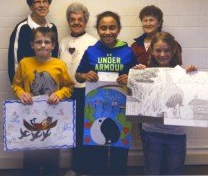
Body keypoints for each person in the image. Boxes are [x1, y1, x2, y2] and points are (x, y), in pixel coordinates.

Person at [75, 11, 137, 175]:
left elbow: (138, 79)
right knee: (97, 149)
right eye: (103, 28)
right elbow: (78, 76)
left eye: (112, 28)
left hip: (120, 107)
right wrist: (85, 75)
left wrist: (130, 77)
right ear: (97, 29)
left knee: (119, 149)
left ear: (118, 29)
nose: (107, 32)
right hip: (96, 108)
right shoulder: (91, 51)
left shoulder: (128, 51)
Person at [12, 27, 74, 176]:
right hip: (31, 117)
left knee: (52, 158)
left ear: (53, 45)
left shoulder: (59, 64)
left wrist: (59, 94)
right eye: (38, 42)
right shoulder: (24, 63)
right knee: (30, 158)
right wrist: (21, 93)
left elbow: (69, 87)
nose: (43, 45)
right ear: (32, 44)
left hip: (52, 118)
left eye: (47, 42)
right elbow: (16, 85)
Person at [136, 31, 197, 175]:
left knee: (175, 170)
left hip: (176, 134)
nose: (162, 54)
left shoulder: (182, 74)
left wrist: (192, 78)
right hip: (151, 133)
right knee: (152, 170)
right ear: (152, 51)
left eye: (167, 50)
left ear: (174, 50)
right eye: (158, 50)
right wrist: (137, 76)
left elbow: (189, 97)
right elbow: (139, 98)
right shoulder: (145, 72)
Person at [58, 2, 97, 174]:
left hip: (85, 92)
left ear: (86, 21)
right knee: (70, 131)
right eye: (72, 19)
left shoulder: (93, 43)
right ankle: (74, 168)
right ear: (68, 21)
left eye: (80, 19)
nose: (76, 22)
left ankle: (85, 168)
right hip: (66, 92)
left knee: (85, 132)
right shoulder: (62, 42)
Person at [8, 0, 58, 83]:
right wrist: (20, 90)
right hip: (27, 91)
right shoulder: (22, 28)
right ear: (31, 6)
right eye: (37, 2)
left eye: (45, 1)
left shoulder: (53, 28)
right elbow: (14, 62)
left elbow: (55, 58)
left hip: (51, 90)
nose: (42, 5)